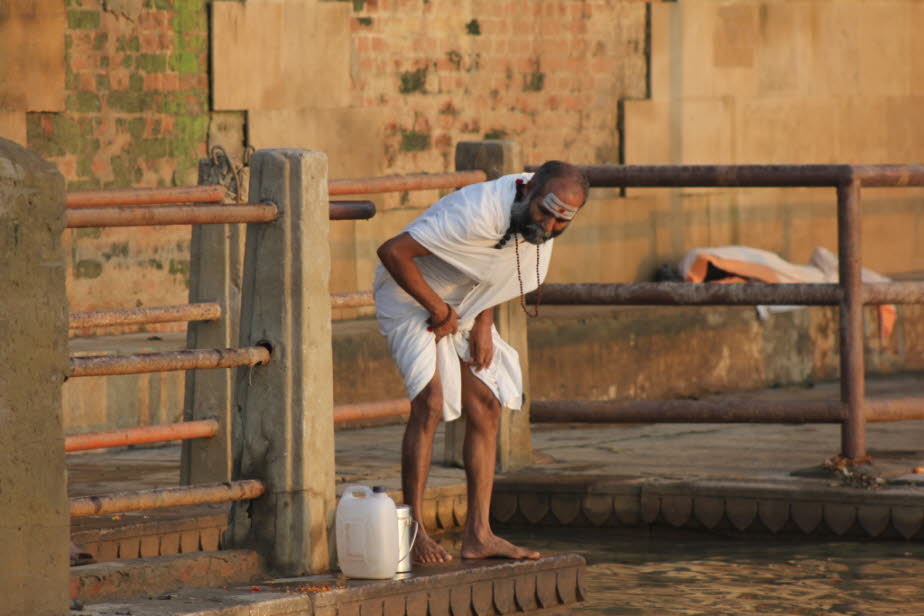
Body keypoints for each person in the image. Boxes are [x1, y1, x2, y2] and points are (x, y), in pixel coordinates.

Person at [374, 160, 589, 563]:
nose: (549, 226)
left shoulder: (543, 220)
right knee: (430, 403)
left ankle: (479, 535)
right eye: (545, 213)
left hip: (468, 300)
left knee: (487, 404)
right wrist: (438, 310)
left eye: (562, 222)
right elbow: (393, 251)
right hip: (409, 290)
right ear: (527, 189)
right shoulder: (476, 213)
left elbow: (498, 270)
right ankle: (416, 532)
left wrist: (483, 323)